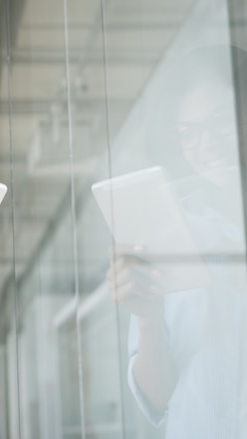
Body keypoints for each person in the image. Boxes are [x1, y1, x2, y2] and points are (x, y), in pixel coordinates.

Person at [106, 45, 247, 438]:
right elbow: (156, 399)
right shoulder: (175, 234)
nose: (207, 145)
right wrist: (147, 318)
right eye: (189, 132)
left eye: (222, 121)